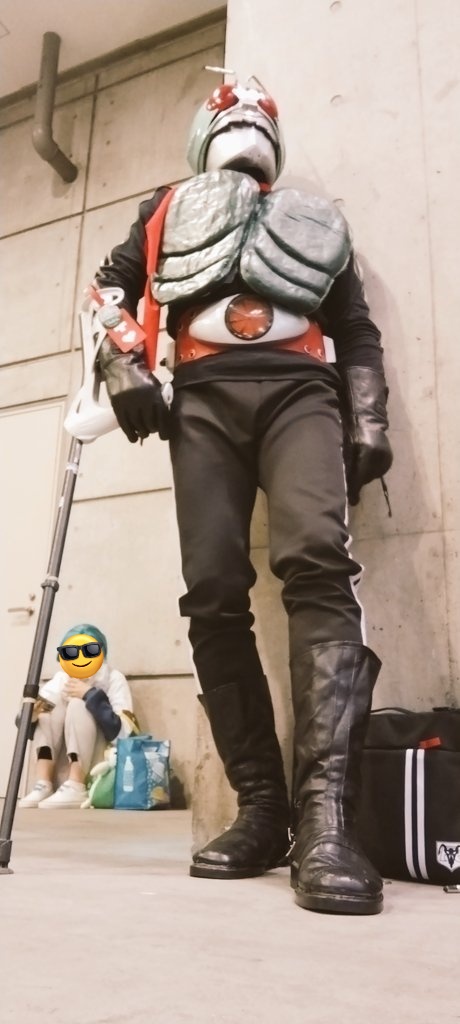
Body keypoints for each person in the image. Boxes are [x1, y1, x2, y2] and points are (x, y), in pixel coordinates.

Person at [92, 74, 393, 915]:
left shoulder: (316, 219)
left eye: (260, 108)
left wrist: (368, 414)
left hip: (302, 392)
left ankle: (327, 823)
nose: (247, 109)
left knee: (317, 564)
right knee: (214, 589)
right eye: (230, 106)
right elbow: (109, 290)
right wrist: (121, 361)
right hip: (202, 397)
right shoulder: (164, 209)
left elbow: (355, 326)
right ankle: (262, 810)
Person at [19, 623, 134, 809]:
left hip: (97, 762)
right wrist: (31, 716)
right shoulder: (61, 678)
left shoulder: (113, 678)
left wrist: (91, 695)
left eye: (90, 650)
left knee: (78, 704)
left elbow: (125, 734)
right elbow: (24, 724)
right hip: (62, 760)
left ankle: (76, 784)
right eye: (70, 652)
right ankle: (44, 783)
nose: (81, 657)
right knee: (48, 708)